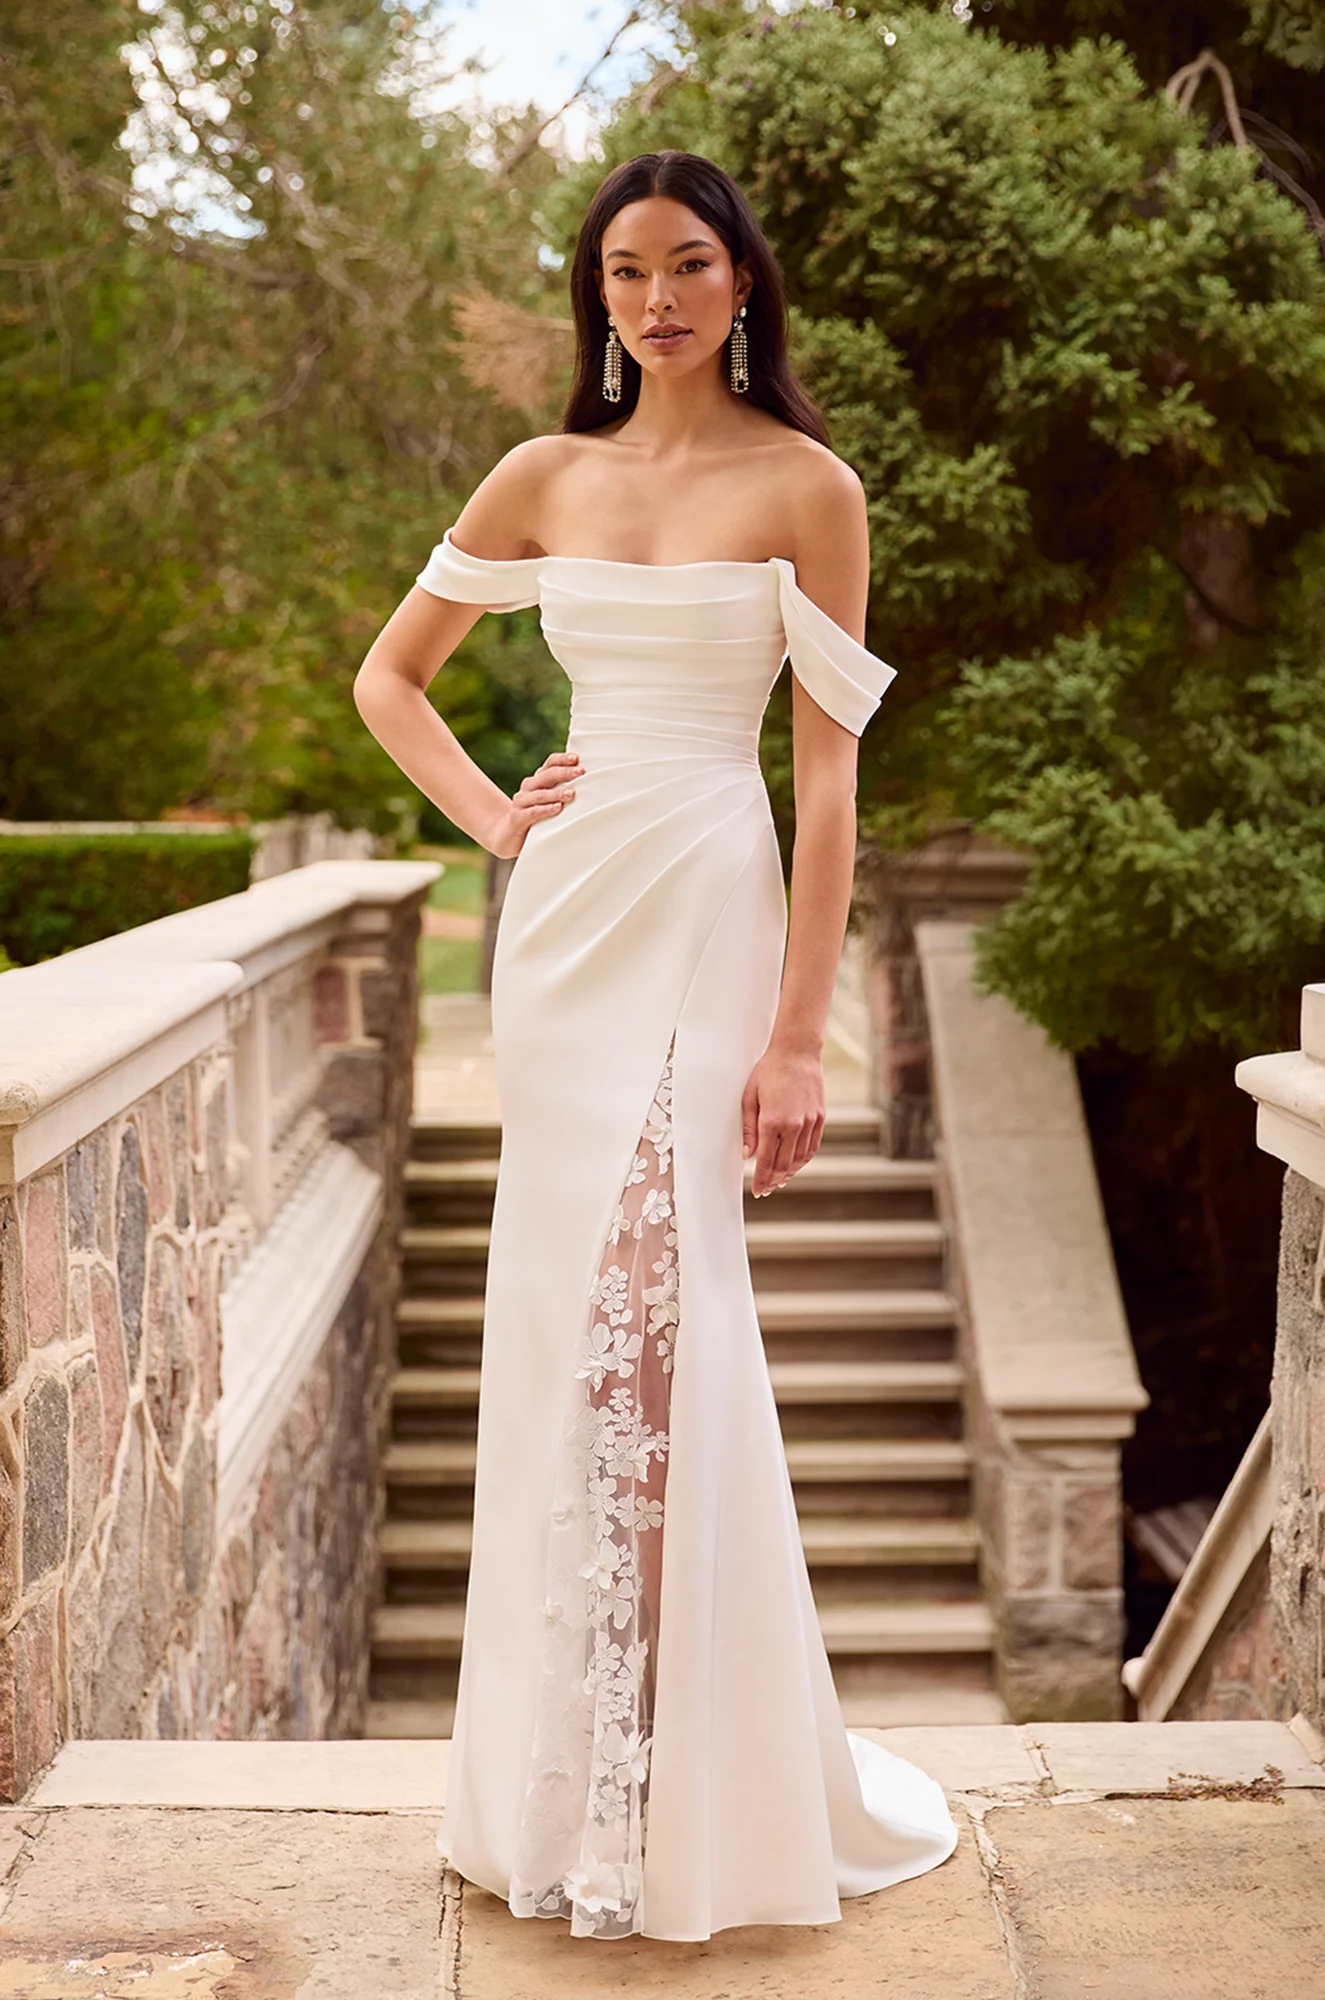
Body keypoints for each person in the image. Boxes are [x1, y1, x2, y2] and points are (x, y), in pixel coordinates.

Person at [354, 149, 958, 1945]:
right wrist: (492, 817)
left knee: (669, 1315)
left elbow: (832, 777)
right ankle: (566, 1778)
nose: (658, 300)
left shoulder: (812, 488)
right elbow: (393, 676)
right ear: (597, 298)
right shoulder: (544, 474)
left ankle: (677, 1788)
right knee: (566, 1329)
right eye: (624, 274)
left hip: (710, 899)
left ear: (745, 281)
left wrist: (797, 1036)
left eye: (688, 265)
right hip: (566, 927)